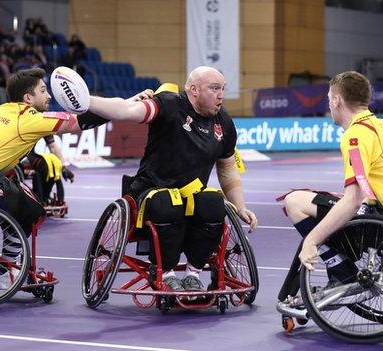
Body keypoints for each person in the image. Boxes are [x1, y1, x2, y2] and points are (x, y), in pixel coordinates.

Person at [86, 66, 258, 291]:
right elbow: (127, 110)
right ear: (194, 90)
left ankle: (193, 274)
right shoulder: (168, 104)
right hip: (151, 191)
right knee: (166, 203)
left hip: (191, 197)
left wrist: (240, 206)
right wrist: (86, 99)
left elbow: (227, 166)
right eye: (215, 88)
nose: (221, 95)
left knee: (214, 202)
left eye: (223, 89)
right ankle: (165, 272)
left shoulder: (223, 122)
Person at [0, 68, 113, 281]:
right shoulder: (28, 119)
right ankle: (6, 267)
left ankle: (5, 259)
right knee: (30, 211)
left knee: (22, 196)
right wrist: (118, 109)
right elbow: (80, 122)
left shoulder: (2, 110)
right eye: (43, 90)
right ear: (28, 98)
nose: (49, 96)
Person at [277, 71, 383, 299]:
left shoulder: (355, 136)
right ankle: (341, 269)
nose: (328, 104)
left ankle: (342, 273)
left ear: (337, 100)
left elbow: (352, 201)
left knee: (295, 201)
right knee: (323, 200)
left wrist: (311, 241)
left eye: (328, 98)